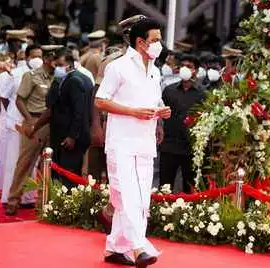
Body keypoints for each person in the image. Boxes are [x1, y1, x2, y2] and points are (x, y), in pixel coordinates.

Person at [95, 18, 171, 267]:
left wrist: (161, 113)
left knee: (136, 198)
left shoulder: (155, 70)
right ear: (140, 42)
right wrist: (132, 111)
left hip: (145, 142)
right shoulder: (118, 67)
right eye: (155, 40)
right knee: (129, 197)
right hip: (121, 142)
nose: (159, 45)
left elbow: (153, 101)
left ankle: (115, 248)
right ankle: (139, 247)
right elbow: (101, 100)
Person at [94, 14, 146, 235]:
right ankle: (115, 219)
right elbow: (97, 98)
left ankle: (117, 218)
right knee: (118, 180)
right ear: (128, 37)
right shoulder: (113, 63)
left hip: (141, 129)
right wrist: (96, 127)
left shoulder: (149, 62)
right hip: (116, 125)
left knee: (136, 181)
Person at [5, 45, 67, 216]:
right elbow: (19, 100)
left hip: (52, 123)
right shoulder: (31, 76)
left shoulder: (60, 77)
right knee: (25, 163)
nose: (60, 63)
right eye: (57, 59)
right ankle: (13, 200)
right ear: (49, 59)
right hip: (35, 121)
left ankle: (44, 201)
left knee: (48, 165)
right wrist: (30, 120)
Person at [29, 48, 94, 189]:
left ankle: (66, 209)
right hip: (70, 136)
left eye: (59, 65)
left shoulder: (74, 80)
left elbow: (79, 111)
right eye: (55, 64)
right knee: (68, 176)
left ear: (69, 65)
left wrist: (72, 136)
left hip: (69, 138)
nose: (56, 68)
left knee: (67, 179)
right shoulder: (82, 78)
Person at [0, 44, 43, 205]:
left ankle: (28, 197)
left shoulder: (43, 74)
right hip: (16, 122)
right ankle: (11, 196)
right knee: (14, 160)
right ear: (28, 57)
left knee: (31, 161)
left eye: (40, 56)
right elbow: (4, 96)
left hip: (34, 123)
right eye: (35, 55)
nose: (38, 59)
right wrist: (12, 117)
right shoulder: (15, 74)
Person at [160, 54, 205, 193]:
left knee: (189, 189)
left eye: (189, 66)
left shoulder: (203, 94)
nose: (185, 69)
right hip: (169, 146)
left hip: (190, 149)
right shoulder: (169, 90)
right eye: (183, 66)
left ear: (196, 71)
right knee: (164, 187)